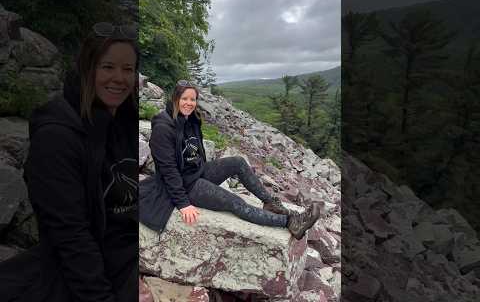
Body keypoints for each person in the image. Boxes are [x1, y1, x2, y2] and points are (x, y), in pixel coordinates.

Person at [0, 23, 139, 302]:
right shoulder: (57, 136)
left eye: (128, 69)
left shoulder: (123, 120)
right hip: (87, 273)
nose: (119, 78)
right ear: (87, 69)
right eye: (107, 67)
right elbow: (70, 236)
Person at [140, 80, 320, 239]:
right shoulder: (163, 127)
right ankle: (289, 222)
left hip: (197, 173)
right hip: (185, 186)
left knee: (238, 162)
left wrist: (205, 171)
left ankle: (271, 203)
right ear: (175, 99)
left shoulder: (190, 119)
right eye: (184, 99)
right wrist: (183, 203)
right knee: (234, 202)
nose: (189, 103)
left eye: (192, 99)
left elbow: (196, 153)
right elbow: (168, 169)